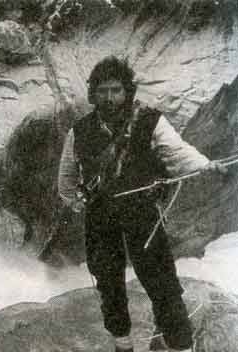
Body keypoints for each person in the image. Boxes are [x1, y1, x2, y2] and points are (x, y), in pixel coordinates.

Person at [57, 56, 226, 352]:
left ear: (127, 92)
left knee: (164, 286)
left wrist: (205, 165)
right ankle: (123, 345)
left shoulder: (150, 121)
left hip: (143, 216)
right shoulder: (80, 131)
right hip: (100, 218)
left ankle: (179, 346)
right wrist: (75, 202)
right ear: (93, 94)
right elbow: (67, 176)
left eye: (116, 90)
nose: (110, 98)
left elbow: (176, 152)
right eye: (103, 91)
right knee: (109, 287)